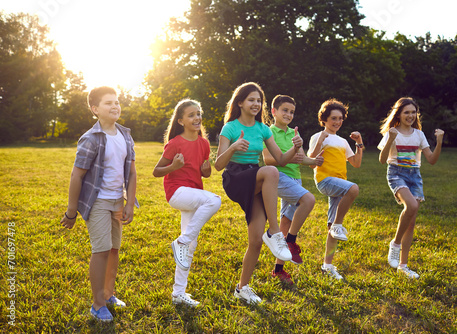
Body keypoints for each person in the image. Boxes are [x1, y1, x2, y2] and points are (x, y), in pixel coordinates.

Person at [214, 82, 303, 304]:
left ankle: (242, 287)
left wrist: (295, 147)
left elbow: (282, 159)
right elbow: (217, 165)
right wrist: (233, 147)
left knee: (255, 240)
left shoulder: (263, 129)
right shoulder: (230, 128)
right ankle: (275, 232)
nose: (256, 104)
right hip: (235, 178)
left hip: (255, 178)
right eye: (252, 99)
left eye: (259, 100)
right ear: (240, 102)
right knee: (270, 172)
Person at [60, 86, 138, 322]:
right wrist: (71, 212)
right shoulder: (91, 139)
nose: (115, 106)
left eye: (117, 102)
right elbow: (77, 176)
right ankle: (97, 304)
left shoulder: (125, 135)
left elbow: (132, 173)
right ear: (95, 109)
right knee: (102, 250)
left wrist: (129, 204)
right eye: (108, 103)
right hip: (97, 202)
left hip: (117, 200)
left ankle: (108, 293)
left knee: (114, 249)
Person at [153, 99, 221, 307]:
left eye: (198, 114)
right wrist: (174, 165)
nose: (197, 118)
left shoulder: (204, 143)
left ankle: (178, 293)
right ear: (181, 120)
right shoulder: (174, 143)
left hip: (194, 193)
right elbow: (157, 171)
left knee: (191, 245)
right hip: (177, 192)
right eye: (191, 115)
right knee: (215, 200)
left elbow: (205, 173)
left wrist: (206, 167)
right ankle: (180, 242)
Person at [378, 97, 444, 279]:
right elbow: (382, 160)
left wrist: (439, 142)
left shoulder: (419, 134)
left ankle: (403, 265)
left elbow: (431, 160)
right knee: (412, 207)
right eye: (406, 112)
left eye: (413, 112)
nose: (410, 115)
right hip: (396, 174)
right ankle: (395, 243)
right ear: (399, 113)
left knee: (411, 222)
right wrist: (391, 138)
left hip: (415, 176)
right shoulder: (392, 133)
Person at [262, 95, 324, 285]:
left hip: (295, 179)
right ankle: (291, 240)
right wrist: (290, 157)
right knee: (309, 200)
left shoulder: (293, 133)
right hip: (278, 177)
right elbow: (268, 160)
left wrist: (313, 161)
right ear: (274, 112)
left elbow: (301, 158)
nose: (288, 114)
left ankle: (278, 270)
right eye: (284, 110)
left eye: (291, 112)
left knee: (286, 221)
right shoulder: (268, 132)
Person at [308, 98, 363, 281]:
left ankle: (327, 266)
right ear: (324, 119)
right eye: (333, 118)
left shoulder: (342, 141)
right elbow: (310, 160)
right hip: (325, 181)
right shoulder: (318, 136)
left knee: (331, 228)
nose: (337, 122)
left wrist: (359, 144)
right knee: (354, 189)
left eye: (340, 118)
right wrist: (320, 141)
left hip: (340, 184)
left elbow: (355, 163)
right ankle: (339, 225)